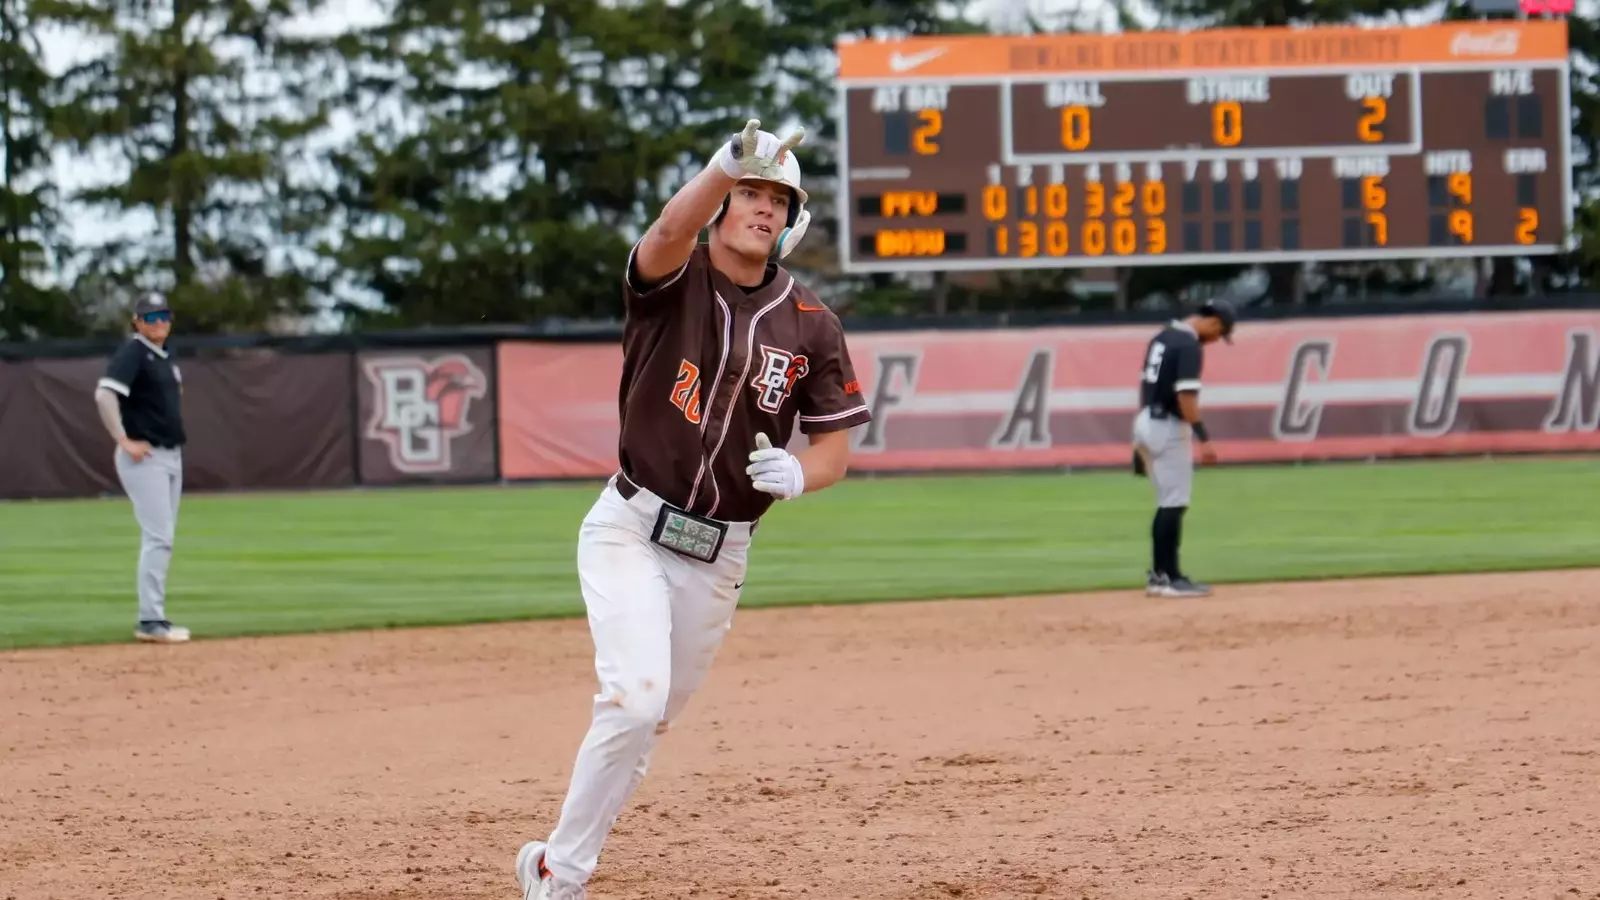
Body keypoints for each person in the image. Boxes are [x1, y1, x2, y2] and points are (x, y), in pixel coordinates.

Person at [513, 119, 873, 900]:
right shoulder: (674, 279)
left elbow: (835, 453)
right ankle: (562, 880)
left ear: (792, 220)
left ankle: (549, 860)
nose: (763, 207)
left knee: (645, 725)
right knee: (634, 702)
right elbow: (670, 228)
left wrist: (800, 476)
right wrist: (723, 162)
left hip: (720, 556)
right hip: (633, 528)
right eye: (750, 192)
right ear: (722, 202)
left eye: (778, 198)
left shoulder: (813, 325)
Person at [93, 293, 191, 643]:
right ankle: (151, 619)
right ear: (137, 322)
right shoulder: (133, 352)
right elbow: (104, 395)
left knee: (163, 537)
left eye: (163, 315)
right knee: (159, 536)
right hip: (145, 457)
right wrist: (123, 438)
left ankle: (154, 617)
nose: (159, 322)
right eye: (150, 317)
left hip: (170, 455)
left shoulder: (164, 355)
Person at [1130, 299, 1237, 599]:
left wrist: (1141, 440)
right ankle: (1169, 577)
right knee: (1174, 503)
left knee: (1166, 502)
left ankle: (1159, 575)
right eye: (1219, 334)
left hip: (1147, 421)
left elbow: (1147, 386)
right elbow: (1186, 397)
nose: (1215, 340)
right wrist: (1205, 437)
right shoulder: (1189, 345)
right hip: (1168, 428)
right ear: (1213, 322)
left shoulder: (1161, 337)